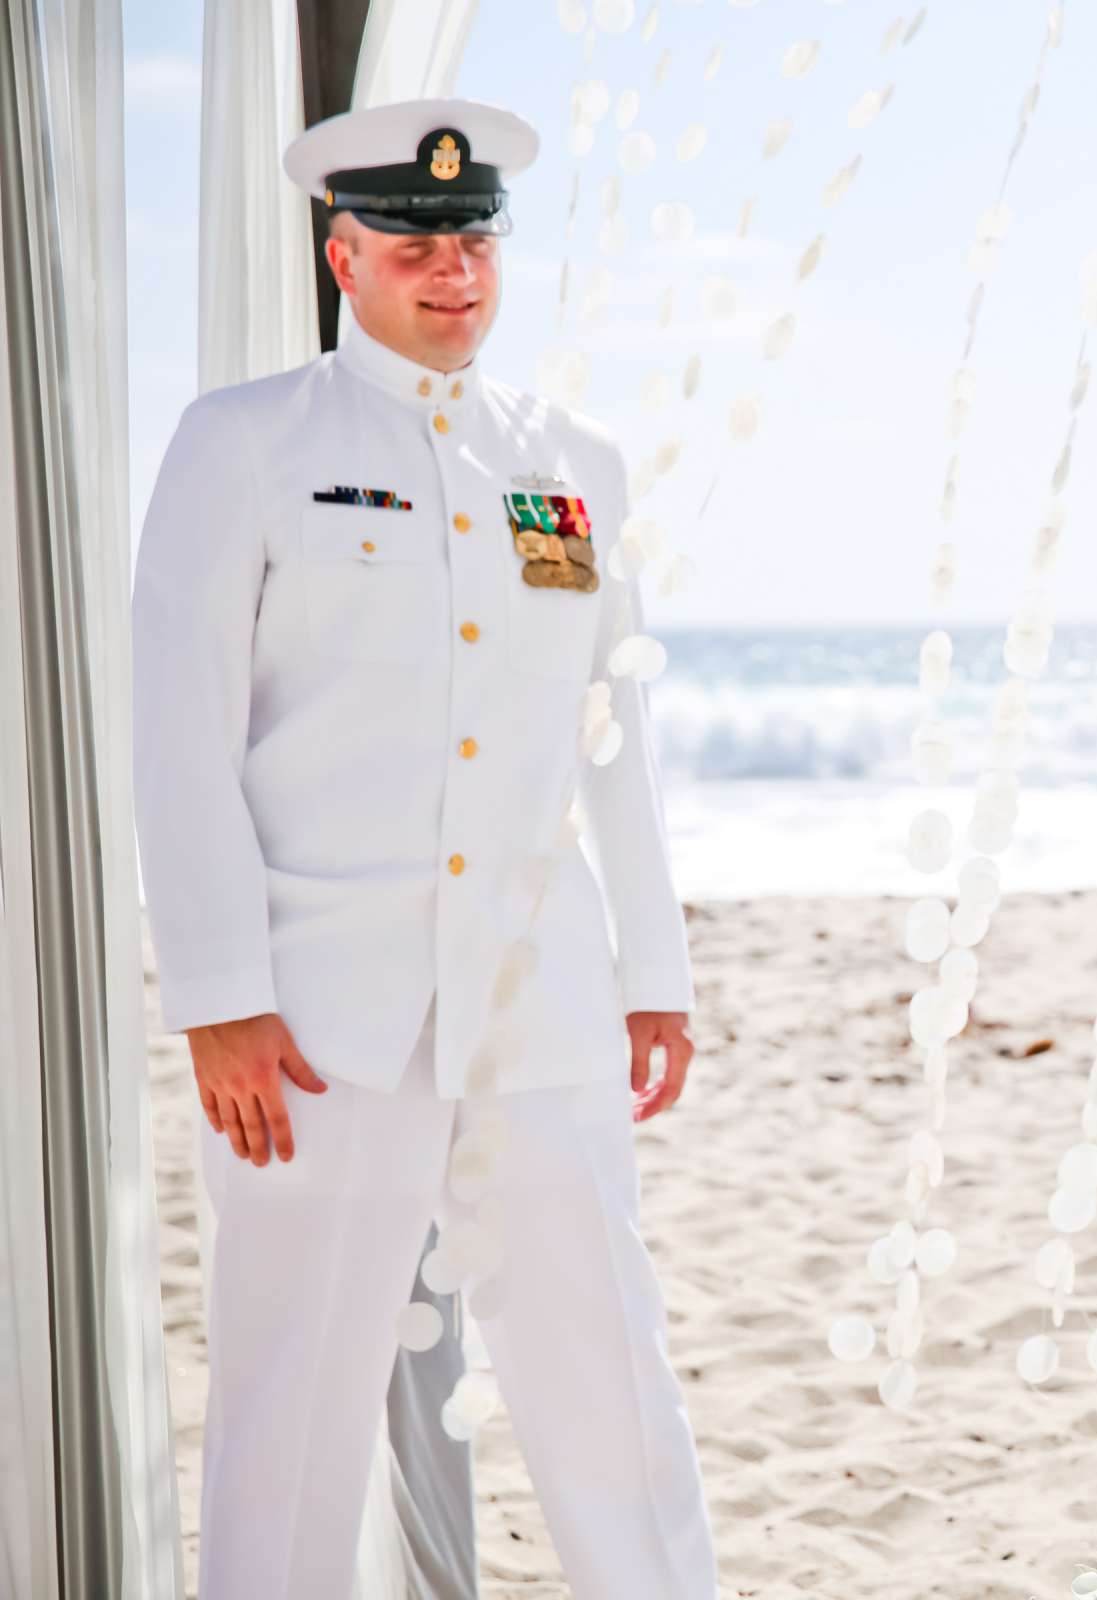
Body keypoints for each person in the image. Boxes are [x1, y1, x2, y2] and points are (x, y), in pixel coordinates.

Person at [129, 97, 715, 1598]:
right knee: (291, 1407)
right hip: (318, 1021)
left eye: (471, 240)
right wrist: (215, 992)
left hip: (544, 1006)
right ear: (343, 252)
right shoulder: (245, 443)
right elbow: (179, 732)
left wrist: (654, 970)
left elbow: (611, 733)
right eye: (409, 242)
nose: (450, 271)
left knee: (609, 1384)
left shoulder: (571, 463)